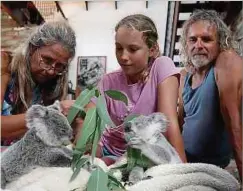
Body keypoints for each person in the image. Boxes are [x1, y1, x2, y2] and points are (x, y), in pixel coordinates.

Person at [80, 14, 187, 165]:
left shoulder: (161, 67)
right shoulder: (108, 81)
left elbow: (169, 124)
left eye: (133, 49)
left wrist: (182, 171)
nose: (123, 56)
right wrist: (86, 149)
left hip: (147, 152)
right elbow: (88, 123)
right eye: (118, 48)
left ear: (152, 49)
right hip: (111, 152)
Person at [178, 10, 242, 180]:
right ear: (186, 44)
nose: (198, 45)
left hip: (211, 166)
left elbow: (235, 125)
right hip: (183, 161)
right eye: (192, 39)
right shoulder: (184, 75)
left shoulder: (226, 61)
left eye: (206, 39)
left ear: (220, 43)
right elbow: (179, 122)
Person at [1, 20, 76, 143]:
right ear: (32, 48)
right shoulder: (4, 64)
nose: (52, 71)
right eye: (47, 60)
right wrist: (51, 112)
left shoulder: (50, 83)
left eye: (59, 66)